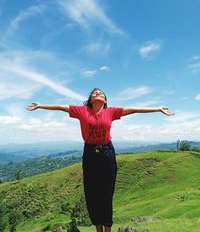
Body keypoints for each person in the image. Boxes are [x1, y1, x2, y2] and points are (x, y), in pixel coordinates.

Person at [26, 88, 174, 232]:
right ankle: (98, 229)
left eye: (101, 93)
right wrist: (40, 105)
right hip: (90, 153)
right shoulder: (82, 111)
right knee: (91, 193)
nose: (97, 93)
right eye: (94, 93)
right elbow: (60, 107)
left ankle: (107, 228)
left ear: (105, 100)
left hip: (107, 153)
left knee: (106, 193)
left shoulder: (111, 112)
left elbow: (134, 109)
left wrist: (158, 108)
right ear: (90, 99)